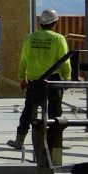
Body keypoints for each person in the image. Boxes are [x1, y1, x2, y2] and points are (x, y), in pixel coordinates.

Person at [9, 9, 71, 150]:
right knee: (55, 112)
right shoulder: (58, 39)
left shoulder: (30, 38)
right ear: (55, 23)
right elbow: (64, 62)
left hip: (35, 81)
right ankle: (54, 142)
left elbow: (24, 59)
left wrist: (22, 78)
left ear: (40, 23)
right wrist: (66, 78)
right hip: (53, 81)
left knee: (29, 110)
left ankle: (19, 141)